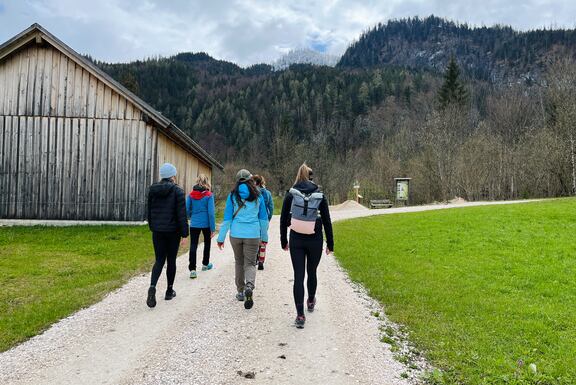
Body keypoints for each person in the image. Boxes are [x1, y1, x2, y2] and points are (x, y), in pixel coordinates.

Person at [280, 163, 333, 328]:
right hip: (315, 239)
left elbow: (283, 220)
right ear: (311, 177)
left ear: (298, 175)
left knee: (298, 276)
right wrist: (330, 244)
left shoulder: (291, 194)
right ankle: (310, 300)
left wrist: (284, 240)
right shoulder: (320, 195)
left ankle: (300, 315)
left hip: (296, 239)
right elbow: (326, 221)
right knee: (312, 272)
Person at [217, 169, 269, 309]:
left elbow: (227, 219)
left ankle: (240, 292)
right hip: (252, 234)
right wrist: (264, 237)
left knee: (239, 262)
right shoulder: (258, 195)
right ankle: (249, 287)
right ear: (250, 179)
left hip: (236, 234)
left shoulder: (232, 195)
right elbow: (263, 219)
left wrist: (220, 238)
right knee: (250, 263)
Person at [146, 163, 189, 308]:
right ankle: (169, 291)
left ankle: (152, 286)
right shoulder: (178, 191)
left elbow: (149, 211)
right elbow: (181, 215)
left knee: (159, 260)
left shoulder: (153, 190)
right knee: (171, 261)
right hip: (173, 231)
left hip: (157, 231)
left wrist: (152, 226)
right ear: (172, 175)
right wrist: (185, 234)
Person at [186, 174, 216, 279]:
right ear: (206, 182)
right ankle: (205, 264)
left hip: (194, 223)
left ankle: (193, 269)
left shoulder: (190, 195)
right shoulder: (209, 195)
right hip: (206, 224)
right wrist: (213, 228)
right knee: (207, 243)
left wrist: (191, 216)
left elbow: (186, 209)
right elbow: (211, 213)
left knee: (193, 245)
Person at [252, 175, 273, 270]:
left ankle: (255, 258)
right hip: (264, 220)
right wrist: (268, 218)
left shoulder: (252, 193)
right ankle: (261, 260)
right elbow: (271, 207)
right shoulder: (267, 193)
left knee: (254, 238)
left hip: (254, 219)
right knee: (263, 239)